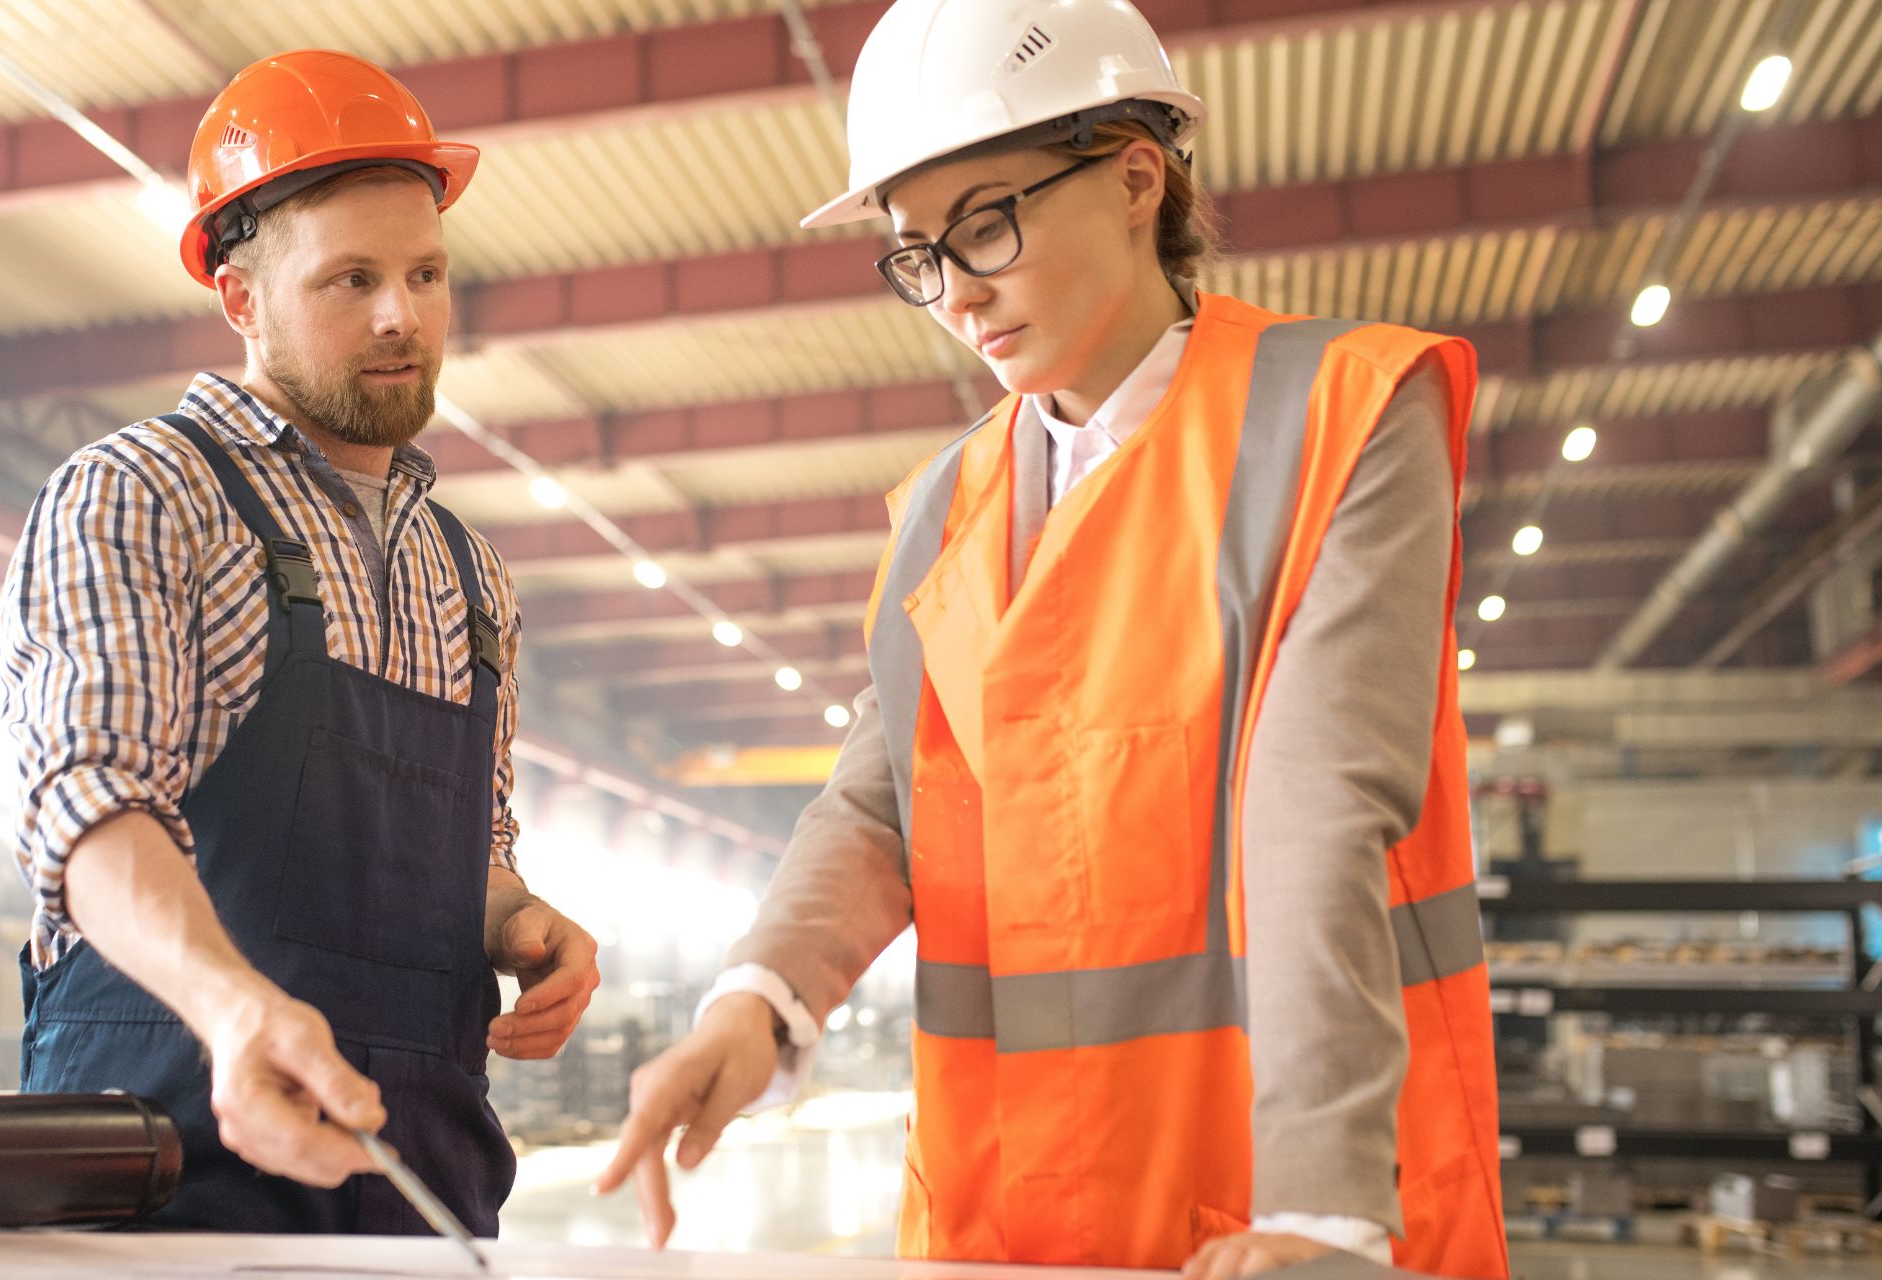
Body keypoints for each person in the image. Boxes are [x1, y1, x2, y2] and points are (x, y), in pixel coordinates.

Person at [595, 3, 1508, 1277]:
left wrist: (1323, 1206)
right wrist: (754, 999)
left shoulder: (1338, 416)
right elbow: (880, 805)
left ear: (1138, 177)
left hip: (1272, 1200)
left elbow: (1316, 800)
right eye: (916, 253)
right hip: (999, 1213)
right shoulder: (940, 508)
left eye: (987, 222)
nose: (955, 292)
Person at [0, 49, 600, 1236]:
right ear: (239, 296)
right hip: (165, 1159)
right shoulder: (139, 493)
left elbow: (459, 847)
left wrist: (517, 922)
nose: (402, 315)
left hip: (420, 1172)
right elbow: (91, 808)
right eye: (351, 280)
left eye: (427, 275)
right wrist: (230, 1008)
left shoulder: (468, 574)